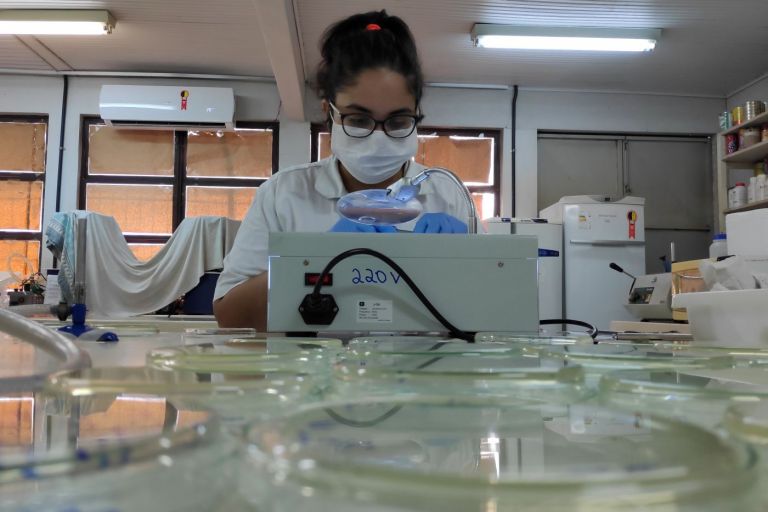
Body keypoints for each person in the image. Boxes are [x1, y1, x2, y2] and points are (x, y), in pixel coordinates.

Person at [213, 10, 472, 330]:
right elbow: (230, 316)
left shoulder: (446, 194)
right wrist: (320, 260)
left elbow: (488, 315)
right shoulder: (285, 193)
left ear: (417, 114)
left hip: (419, 373)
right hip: (311, 374)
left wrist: (469, 267)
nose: (379, 137)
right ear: (329, 112)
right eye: (359, 119)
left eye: (398, 121)